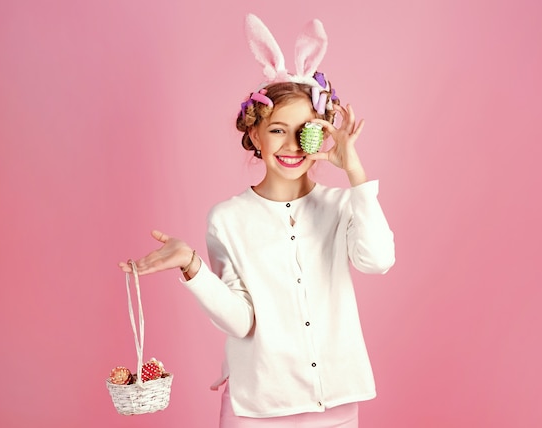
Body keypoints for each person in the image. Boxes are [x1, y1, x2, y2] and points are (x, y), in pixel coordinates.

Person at [119, 14, 395, 428]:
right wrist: (192, 266)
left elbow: (378, 260)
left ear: (321, 135)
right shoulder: (228, 219)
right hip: (257, 409)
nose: (291, 145)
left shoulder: (342, 206)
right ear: (255, 136)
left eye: (305, 130)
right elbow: (242, 321)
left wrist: (354, 170)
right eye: (278, 130)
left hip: (335, 407)